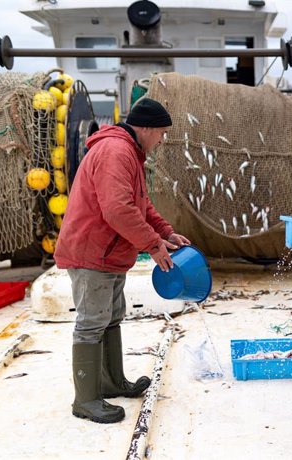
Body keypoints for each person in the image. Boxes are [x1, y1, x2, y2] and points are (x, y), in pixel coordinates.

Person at [55, 98, 190, 424]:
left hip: (109, 253)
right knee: (91, 324)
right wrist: (153, 246)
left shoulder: (129, 152)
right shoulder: (117, 152)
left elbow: (139, 205)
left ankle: (112, 382)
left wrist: (166, 233)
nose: (161, 140)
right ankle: (85, 400)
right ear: (144, 128)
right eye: (160, 133)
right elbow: (117, 209)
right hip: (93, 253)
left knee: (110, 317)